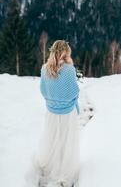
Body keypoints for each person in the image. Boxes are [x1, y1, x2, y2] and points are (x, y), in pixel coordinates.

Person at [36, 40, 80, 187]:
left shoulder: (44, 69)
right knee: (67, 141)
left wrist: (53, 101)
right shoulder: (69, 70)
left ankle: (49, 165)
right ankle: (64, 171)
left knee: (52, 138)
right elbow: (74, 92)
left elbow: (43, 90)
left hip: (51, 113)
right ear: (65, 53)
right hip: (67, 114)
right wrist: (71, 65)